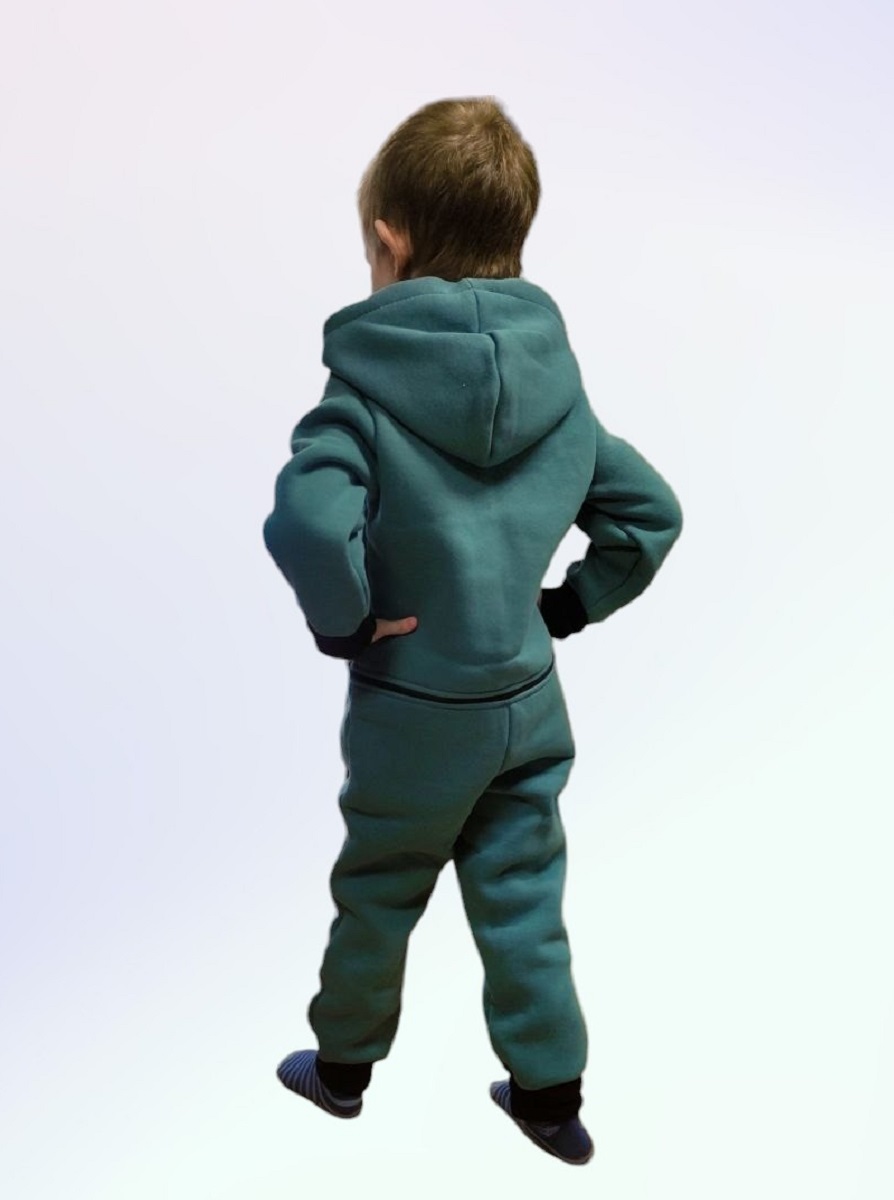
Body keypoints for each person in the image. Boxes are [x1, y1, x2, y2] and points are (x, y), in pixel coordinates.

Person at [262, 96, 683, 1166]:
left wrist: (350, 622)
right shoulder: (561, 393)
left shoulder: (361, 395)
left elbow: (307, 520)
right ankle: (550, 1097)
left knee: (380, 887)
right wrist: (565, 608)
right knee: (525, 896)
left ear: (389, 242)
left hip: (413, 710)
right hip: (526, 706)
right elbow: (650, 517)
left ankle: (342, 1072)